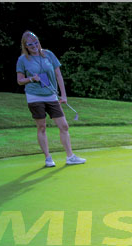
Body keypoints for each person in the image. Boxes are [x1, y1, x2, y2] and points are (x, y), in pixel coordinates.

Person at [16, 30, 86, 167]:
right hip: (34, 96)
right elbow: (19, 81)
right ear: (25, 45)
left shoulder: (48, 54)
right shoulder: (23, 60)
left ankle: (70, 157)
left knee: (64, 125)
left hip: (51, 95)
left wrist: (64, 95)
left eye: (36, 42)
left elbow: (58, 75)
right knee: (41, 127)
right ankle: (48, 158)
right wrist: (31, 79)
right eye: (30, 44)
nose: (34, 46)